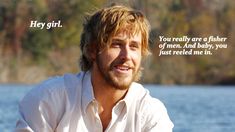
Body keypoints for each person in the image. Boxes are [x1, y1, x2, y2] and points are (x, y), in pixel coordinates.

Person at [15, 5, 173, 132]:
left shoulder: (151, 114)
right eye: (116, 44)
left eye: (134, 47)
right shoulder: (48, 100)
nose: (126, 56)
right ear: (91, 50)